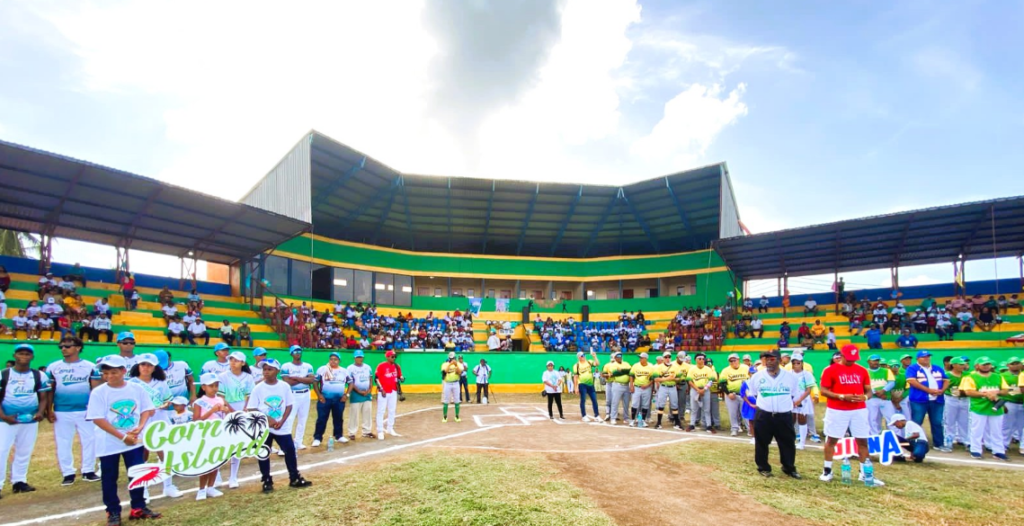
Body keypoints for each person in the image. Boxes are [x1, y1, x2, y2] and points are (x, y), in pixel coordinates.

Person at [86, 355, 160, 525]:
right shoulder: (99, 392)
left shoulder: (136, 389)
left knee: (137, 474)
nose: (109, 376)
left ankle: (138, 507)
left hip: (133, 441)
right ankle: (112, 511)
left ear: (123, 371)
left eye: (113, 372)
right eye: (106, 373)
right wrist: (122, 436)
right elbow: (98, 419)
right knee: (109, 477)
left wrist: (140, 427)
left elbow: (147, 409)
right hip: (109, 442)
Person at [819, 344, 884, 486]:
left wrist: (865, 398)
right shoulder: (831, 370)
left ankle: (865, 473)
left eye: (854, 359)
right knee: (832, 439)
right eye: (849, 359)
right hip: (837, 409)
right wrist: (842, 396)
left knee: (862, 441)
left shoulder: (862, 371)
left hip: (858, 409)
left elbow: (869, 390)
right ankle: (827, 470)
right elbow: (823, 390)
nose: (851, 362)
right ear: (842, 356)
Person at [246, 358, 312, 492]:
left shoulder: (284, 386)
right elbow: (251, 408)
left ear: (277, 371)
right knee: (263, 453)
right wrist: (268, 418)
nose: (266, 372)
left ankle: (294, 477)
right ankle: (266, 480)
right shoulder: (258, 388)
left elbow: (289, 405)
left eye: (270, 369)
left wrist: (282, 421)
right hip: (264, 427)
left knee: (290, 451)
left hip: (282, 426)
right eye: (264, 369)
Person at [46, 336, 99, 485]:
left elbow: (95, 390)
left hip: (85, 410)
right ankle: (68, 473)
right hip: (62, 411)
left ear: (78, 348)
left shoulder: (90, 366)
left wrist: (95, 409)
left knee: (90, 440)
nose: (63, 349)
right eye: (61, 346)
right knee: (63, 441)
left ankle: (88, 470)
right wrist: (49, 410)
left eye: (67, 346)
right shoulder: (53, 367)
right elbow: (50, 390)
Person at [0, 344, 50, 498]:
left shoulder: (39, 375)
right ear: (14, 355)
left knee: (24, 451)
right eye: (20, 353)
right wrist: (3, 416)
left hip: (29, 419)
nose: (24, 356)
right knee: (1, 451)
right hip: (6, 420)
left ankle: (19, 481)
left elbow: (43, 397)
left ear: (32, 357)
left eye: (27, 354)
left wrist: (41, 413)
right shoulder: (4, 374)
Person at [748, 349, 801, 478]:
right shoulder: (757, 377)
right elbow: (754, 393)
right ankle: (763, 467)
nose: (769, 362)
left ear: (779, 360)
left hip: (783, 415)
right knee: (761, 442)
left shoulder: (790, 377)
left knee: (787, 442)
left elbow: (794, 394)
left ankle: (789, 467)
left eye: (772, 359)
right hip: (764, 414)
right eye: (766, 359)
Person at [960, 356, 1009, 460]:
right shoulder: (970, 377)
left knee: (997, 430)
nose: (986, 366)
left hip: (996, 407)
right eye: (984, 364)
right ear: (977, 366)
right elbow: (968, 391)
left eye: (988, 364)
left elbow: (1005, 390)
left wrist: (996, 392)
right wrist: (985, 394)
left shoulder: (998, 376)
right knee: (977, 430)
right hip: (979, 407)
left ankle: (998, 451)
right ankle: (975, 450)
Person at [218, 351, 254, 487]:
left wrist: (245, 408)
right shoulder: (223, 376)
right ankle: (217, 476)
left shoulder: (248, 377)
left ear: (243, 363)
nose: (233, 362)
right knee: (222, 442)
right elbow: (221, 396)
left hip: (242, 408)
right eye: (231, 359)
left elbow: (249, 395)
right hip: (226, 409)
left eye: (236, 360)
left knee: (236, 443)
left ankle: (233, 476)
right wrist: (231, 411)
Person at [905, 350, 948, 451]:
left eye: (928, 356)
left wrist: (942, 390)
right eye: (923, 357)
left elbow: (946, 380)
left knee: (937, 422)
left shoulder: (937, 368)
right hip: (919, 399)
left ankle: (939, 443)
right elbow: (912, 381)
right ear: (918, 359)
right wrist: (928, 390)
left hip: (937, 399)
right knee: (916, 422)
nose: (926, 358)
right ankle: (914, 443)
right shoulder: (913, 368)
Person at [193, 373, 226, 500]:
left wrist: (225, 410)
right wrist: (211, 411)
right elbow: (196, 420)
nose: (214, 388)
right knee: (206, 463)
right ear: (203, 387)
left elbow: (225, 415)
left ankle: (211, 487)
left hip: (219, 433)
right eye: (211, 386)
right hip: (205, 434)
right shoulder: (199, 402)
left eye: (216, 385)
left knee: (216, 462)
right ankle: (201, 489)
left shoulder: (220, 399)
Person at [281, 345, 314, 449]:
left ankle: (298, 442)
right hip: (292, 395)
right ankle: (286, 445)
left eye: (299, 351)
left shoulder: (308, 366)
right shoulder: (286, 366)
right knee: (289, 420)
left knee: (303, 419)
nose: (298, 353)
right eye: (295, 351)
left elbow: (311, 380)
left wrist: (296, 378)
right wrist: (303, 379)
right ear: (291, 353)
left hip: (305, 394)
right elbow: (287, 382)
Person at [374, 350, 403, 440]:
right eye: (392, 356)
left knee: (392, 410)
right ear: (387, 357)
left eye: (394, 357)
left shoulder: (396, 366)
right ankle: (380, 431)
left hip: (393, 390)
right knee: (381, 411)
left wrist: (401, 378)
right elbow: (376, 378)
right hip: (384, 391)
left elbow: (399, 377)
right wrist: (381, 389)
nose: (394, 358)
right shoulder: (381, 366)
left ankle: (390, 428)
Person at [346, 350, 374, 440]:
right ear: (354, 358)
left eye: (361, 357)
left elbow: (370, 379)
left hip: (367, 393)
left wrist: (369, 389)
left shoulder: (367, 367)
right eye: (358, 357)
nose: (359, 359)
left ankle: (367, 431)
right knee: (354, 413)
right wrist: (358, 391)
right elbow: (350, 382)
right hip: (355, 393)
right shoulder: (350, 368)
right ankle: (352, 432)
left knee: (367, 412)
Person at [790, 353, 816, 450]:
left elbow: (808, 390)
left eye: (798, 363)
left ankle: (802, 442)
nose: (796, 365)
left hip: (803, 400)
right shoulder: (789, 373)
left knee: (802, 420)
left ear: (802, 363)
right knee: (791, 420)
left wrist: (799, 400)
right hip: (792, 399)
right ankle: (790, 440)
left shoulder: (807, 374)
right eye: (794, 363)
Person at [865, 354, 896, 436]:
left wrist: (883, 390)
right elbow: (863, 385)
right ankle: (875, 436)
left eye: (877, 360)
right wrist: (875, 392)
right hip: (871, 399)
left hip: (885, 398)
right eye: (874, 360)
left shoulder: (886, 371)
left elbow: (892, 382)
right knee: (872, 418)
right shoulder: (865, 372)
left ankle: (894, 436)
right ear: (868, 361)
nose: (876, 362)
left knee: (891, 418)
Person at [719, 353, 749, 436]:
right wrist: (728, 394)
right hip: (732, 395)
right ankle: (734, 428)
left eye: (734, 360)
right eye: (731, 361)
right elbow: (722, 384)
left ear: (738, 360)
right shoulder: (726, 370)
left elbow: (752, 379)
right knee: (733, 413)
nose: (733, 362)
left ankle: (750, 429)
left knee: (746, 412)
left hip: (745, 394)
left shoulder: (745, 368)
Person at [687, 353, 717, 433]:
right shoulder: (692, 369)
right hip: (695, 389)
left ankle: (709, 426)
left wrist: (704, 389)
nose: (701, 360)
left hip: (705, 390)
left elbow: (710, 381)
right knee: (694, 408)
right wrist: (698, 390)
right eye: (699, 359)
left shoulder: (708, 369)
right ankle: (692, 424)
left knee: (707, 409)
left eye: (702, 359)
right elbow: (690, 381)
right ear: (696, 360)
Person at [943, 357, 970, 449]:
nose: (963, 366)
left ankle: (965, 440)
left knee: (965, 421)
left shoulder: (967, 375)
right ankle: (948, 440)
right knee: (949, 421)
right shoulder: (947, 375)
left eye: (963, 364)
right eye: (960, 364)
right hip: (951, 399)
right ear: (953, 365)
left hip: (965, 399)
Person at [1001, 357, 1024, 454]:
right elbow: (1000, 390)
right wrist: (1002, 404)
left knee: (1022, 427)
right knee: (1007, 426)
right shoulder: (1003, 376)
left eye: (1017, 363)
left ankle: (1022, 447)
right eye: (1012, 363)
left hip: (1021, 403)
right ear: (1008, 365)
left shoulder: (1022, 374)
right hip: (1009, 402)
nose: (1015, 365)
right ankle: (1003, 445)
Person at [603, 351, 632, 425]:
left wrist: (622, 370)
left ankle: (626, 418)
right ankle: (613, 417)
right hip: (617, 384)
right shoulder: (613, 365)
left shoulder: (626, 363)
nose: (620, 358)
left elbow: (630, 371)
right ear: (615, 358)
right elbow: (615, 373)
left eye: (620, 356)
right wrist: (625, 371)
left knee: (626, 402)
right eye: (618, 357)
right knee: (615, 402)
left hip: (626, 385)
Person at [628, 352, 656, 427]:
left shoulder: (651, 367)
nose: (640, 359)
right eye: (640, 358)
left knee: (645, 404)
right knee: (634, 403)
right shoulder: (635, 365)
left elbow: (653, 378)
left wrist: (648, 385)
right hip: (637, 386)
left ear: (646, 359)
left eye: (642, 358)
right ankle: (633, 420)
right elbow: (631, 376)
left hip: (647, 388)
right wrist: (631, 385)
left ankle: (643, 420)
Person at [572, 351, 600, 422]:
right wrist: (576, 387)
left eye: (584, 355)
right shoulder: (576, 365)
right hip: (582, 384)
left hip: (590, 384)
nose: (583, 356)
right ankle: (584, 415)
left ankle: (597, 415)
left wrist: (594, 356)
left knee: (594, 400)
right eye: (582, 356)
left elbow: (597, 364)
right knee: (583, 400)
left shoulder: (589, 362)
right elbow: (575, 377)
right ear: (579, 357)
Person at [440, 352, 464, 423]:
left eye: (453, 358)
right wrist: (450, 364)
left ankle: (457, 416)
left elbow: (459, 372)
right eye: (451, 358)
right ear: (449, 358)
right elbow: (446, 371)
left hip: (456, 383)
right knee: (446, 400)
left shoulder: (459, 364)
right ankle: (445, 416)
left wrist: (456, 365)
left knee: (457, 400)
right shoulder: (445, 364)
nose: (452, 359)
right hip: (447, 383)